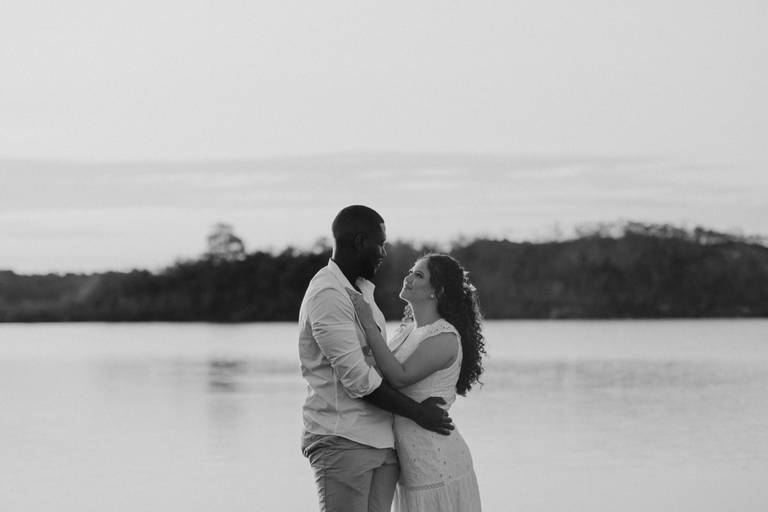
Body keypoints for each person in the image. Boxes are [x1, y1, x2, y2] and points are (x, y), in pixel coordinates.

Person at [299, 205, 454, 512]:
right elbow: (359, 379)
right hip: (343, 438)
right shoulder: (328, 294)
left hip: (382, 442)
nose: (384, 252)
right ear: (360, 242)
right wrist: (419, 413)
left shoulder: (360, 290)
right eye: (380, 244)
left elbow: (379, 363)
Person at [347, 253, 485, 512]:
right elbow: (379, 370)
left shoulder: (444, 336)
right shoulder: (407, 331)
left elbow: (398, 377)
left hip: (437, 464)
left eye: (419, 275)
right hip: (411, 466)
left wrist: (367, 323)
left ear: (436, 291)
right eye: (411, 271)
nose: (408, 278)